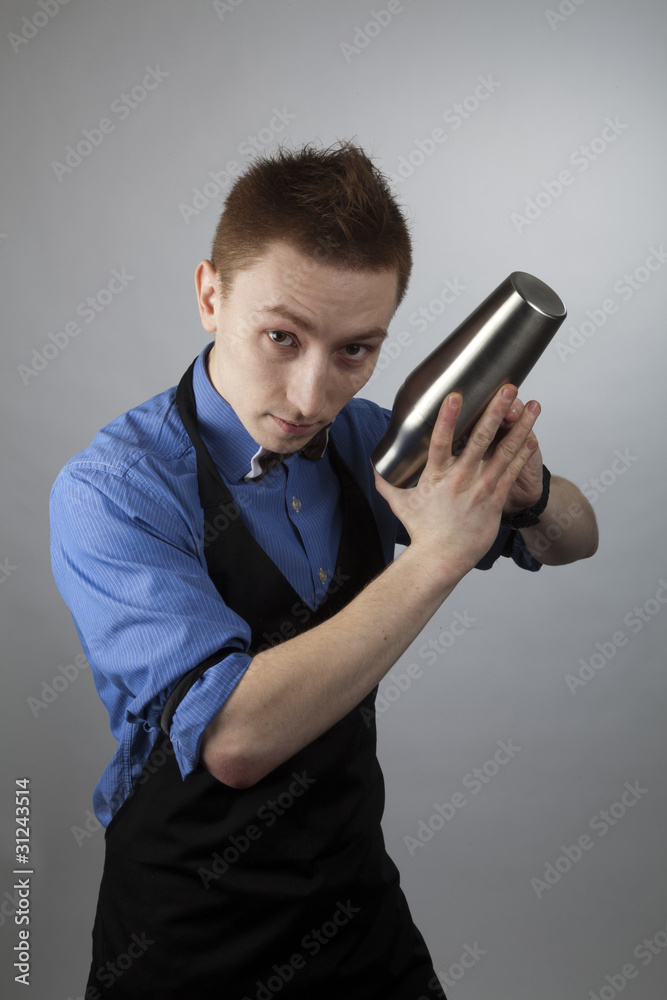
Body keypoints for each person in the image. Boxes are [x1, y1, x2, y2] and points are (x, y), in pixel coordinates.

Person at [50, 141, 598, 999]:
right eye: (280, 336)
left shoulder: (368, 440)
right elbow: (232, 742)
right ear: (209, 295)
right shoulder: (114, 490)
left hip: (353, 910)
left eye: (355, 351)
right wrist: (439, 558)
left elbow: (574, 539)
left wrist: (525, 498)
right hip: (185, 938)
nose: (310, 397)